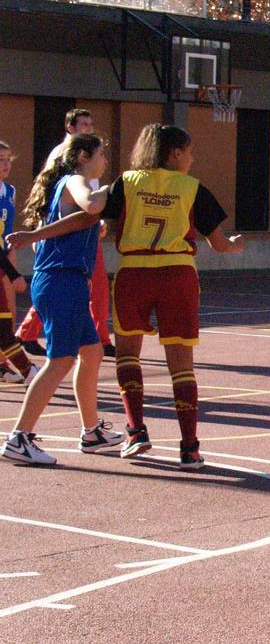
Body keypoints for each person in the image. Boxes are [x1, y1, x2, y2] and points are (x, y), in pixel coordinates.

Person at [8, 123, 244, 471]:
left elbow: (83, 219)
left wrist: (41, 232)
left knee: (100, 354)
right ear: (175, 153)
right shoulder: (183, 187)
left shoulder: (127, 183)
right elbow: (88, 209)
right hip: (164, 274)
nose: (106, 159)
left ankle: (116, 431)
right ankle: (188, 448)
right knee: (72, 360)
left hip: (131, 274)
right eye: (189, 152)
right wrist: (236, 246)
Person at [1, 134, 123, 465]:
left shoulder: (68, 185)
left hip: (65, 279)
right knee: (61, 360)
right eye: (101, 153)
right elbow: (94, 206)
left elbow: (82, 218)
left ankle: (91, 431)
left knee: (92, 351)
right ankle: (19, 437)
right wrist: (116, 188)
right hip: (60, 280)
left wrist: (89, 225)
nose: (105, 160)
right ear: (83, 155)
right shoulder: (75, 180)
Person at [17, 108, 115, 358]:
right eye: (83, 124)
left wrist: (94, 219)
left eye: (90, 124)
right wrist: (109, 192)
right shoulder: (72, 175)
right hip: (63, 270)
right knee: (60, 361)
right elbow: (87, 205)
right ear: (71, 129)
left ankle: (99, 338)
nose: (88, 128)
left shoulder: (83, 174)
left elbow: (83, 213)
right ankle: (25, 335)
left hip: (69, 267)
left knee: (90, 354)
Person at [0, 140, 38, 385]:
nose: (5, 164)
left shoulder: (9, 191)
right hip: (3, 264)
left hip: (3, 259)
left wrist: (11, 248)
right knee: (3, 323)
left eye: (8, 159)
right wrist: (13, 272)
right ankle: (27, 370)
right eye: (0, 159)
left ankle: (3, 365)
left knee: (8, 317)